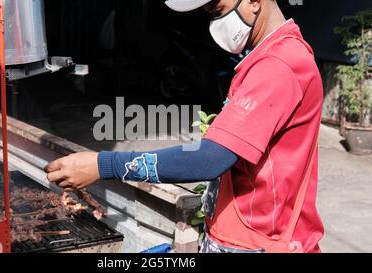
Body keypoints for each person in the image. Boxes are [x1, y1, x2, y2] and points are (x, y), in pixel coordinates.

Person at [44, 0, 324, 253]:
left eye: (217, 11)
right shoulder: (266, 58)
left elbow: (211, 157)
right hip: (244, 236)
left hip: (262, 243)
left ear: (253, 1)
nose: (214, 24)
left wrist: (104, 165)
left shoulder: (279, 66)